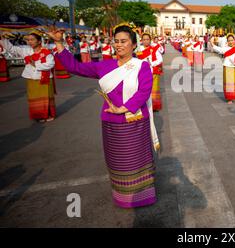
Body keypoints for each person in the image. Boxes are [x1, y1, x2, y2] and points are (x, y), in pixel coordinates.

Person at [51, 25, 158, 208]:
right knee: (118, 160)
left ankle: (143, 196)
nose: (119, 45)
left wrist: (123, 108)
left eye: (123, 41)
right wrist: (59, 43)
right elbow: (74, 66)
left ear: (133, 44)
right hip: (111, 122)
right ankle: (123, 198)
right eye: (116, 41)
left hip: (135, 120)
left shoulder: (142, 66)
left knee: (136, 159)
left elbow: (144, 91)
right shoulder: (104, 65)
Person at [1, 31, 56, 122]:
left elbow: (51, 64)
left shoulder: (46, 52)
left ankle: (49, 114)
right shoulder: (26, 51)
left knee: (46, 97)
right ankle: (39, 115)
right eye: (28, 40)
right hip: (31, 78)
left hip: (44, 78)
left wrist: (36, 64)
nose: (29, 42)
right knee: (34, 98)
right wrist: (3, 39)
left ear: (39, 41)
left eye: (32, 40)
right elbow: (11, 49)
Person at [210, 33, 235, 104]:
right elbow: (219, 49)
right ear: (227, 41)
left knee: (233, 83)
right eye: (229, 40)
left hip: (234, 68)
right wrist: (212, 43)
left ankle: (232, 96)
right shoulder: (226, 48)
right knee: (228, 83)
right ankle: (229, 98)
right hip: (227, 67)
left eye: (232, 40)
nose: (231, 42)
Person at [138, 33, 164, 112]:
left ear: (150, 40)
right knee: (143, 89)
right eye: (144, 39)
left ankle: (154, 106)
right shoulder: (139, 49)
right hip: (143, 72)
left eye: (147, 39)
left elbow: (160, 59)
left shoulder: (154, 48)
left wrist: (152, 64)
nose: (146, 41)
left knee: (154, 89)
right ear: (142, 40)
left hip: (153, 71)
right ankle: (144, 105)